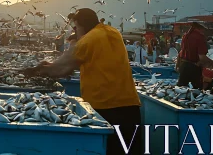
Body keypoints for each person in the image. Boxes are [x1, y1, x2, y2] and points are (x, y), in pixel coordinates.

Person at [25, 8, 142, 155]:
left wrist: (37, 70)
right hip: (130, 107)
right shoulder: (113, 32)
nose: (74, 30)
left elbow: (61, 69)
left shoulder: (88, 40)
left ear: (81, 25)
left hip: (106, 110)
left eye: (75, 27)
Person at [176, 22, 213, 88]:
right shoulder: (200, 37)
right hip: (193, 67)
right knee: (197, 91)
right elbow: (202, 57)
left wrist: (177, 64)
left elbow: (181, 52)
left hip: (183, 65)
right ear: (201, 28)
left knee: (180, 90)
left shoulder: (186, 36)